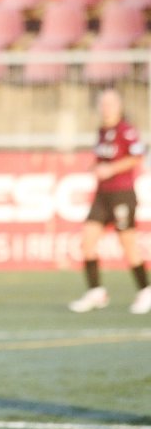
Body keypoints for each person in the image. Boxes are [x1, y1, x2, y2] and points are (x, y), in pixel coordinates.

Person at [69, 88, 150, 315]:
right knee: (87, 241)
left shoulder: (126, 130)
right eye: (103, 104)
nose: (106, 108)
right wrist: (95, 167)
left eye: (110, 104)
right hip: (102, 194)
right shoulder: (103, 131)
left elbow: (137, 156)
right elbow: (102, 158)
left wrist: (111, 168)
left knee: (128, 244)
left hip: (122, 193)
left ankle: (145, 290)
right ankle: (96, 291)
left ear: (119, 106)